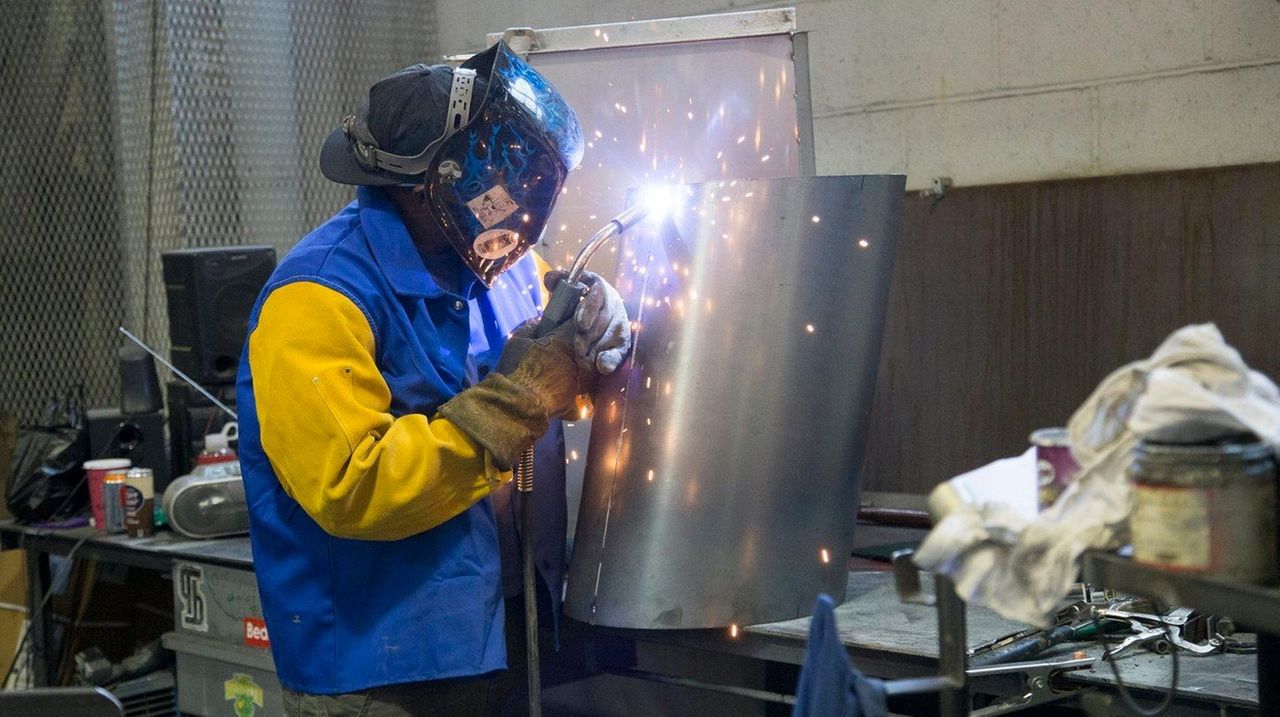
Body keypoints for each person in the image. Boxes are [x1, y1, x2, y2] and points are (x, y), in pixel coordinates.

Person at [236, 41, 630, 716]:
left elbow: (553, 380)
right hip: (385, 668)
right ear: (430, 186)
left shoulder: (495, 264)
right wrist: (519, 399)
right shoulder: (316, 298)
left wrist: (592, 334)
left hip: (509, 629)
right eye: (499, 184)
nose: (514, 211)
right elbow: (354, 486)